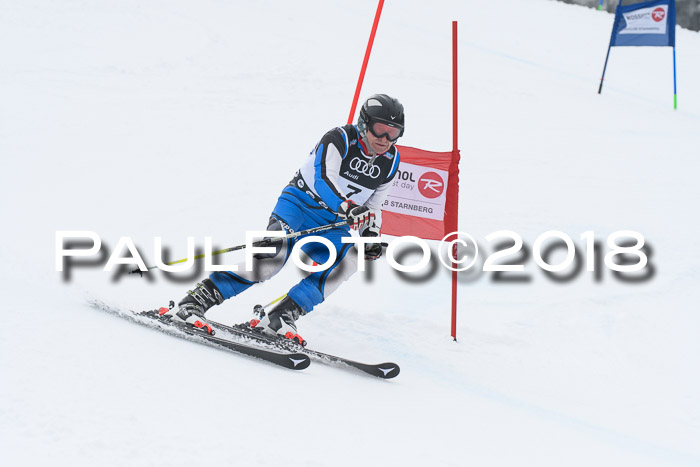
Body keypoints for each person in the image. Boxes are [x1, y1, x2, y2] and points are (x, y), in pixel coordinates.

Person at [162, 94, 405, 343]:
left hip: (331, 223)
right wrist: (347, 207)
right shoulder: (339, 139)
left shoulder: (392, 160)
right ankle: (194, 302)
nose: (385, 139)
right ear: (364, 124)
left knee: (349, 261)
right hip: (298, 205)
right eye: (380, 130)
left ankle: (281, 316)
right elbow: (322, 179)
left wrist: (370, 236)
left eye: (393, 132)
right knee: (271, 259)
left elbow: (375, 205)